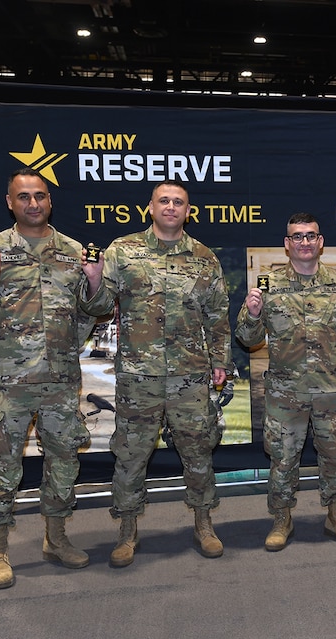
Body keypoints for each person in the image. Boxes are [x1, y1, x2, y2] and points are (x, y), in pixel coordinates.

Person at [81, 180, 231, 567]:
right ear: (150, 207)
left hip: (190, 377)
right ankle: (127, 531)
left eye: (178, 202)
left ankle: (204, 523)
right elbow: (98, 306)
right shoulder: (122, 250)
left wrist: (220, 361)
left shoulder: (204, 257)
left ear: (187, 210)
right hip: (139, 378)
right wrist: (95, 278)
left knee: (198, 452)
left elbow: (217, 316)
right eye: (164, 200)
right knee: (131, 457)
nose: (170, 207)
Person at [0, 168, 98, 589]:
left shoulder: (74, 252)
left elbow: (95, 310)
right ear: (10, 202)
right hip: (11, 385)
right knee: (3, 468)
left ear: (50, 202)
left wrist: (93, 285)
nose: (33, 203)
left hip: (59, 383)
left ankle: (55, 539)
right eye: (24, 197)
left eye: (40, 196)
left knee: (63, 465)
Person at [236, 213, 336, 551]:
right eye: (297, 236)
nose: (305, 242)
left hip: (330, 390)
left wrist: (335, 356)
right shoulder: (269, 286)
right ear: (287, 245)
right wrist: (252, 314)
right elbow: (245, 336)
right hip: (286, 393)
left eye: (311, 236)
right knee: (282, 458)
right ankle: (282, 518)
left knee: (335, 455)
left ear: (320, 241)